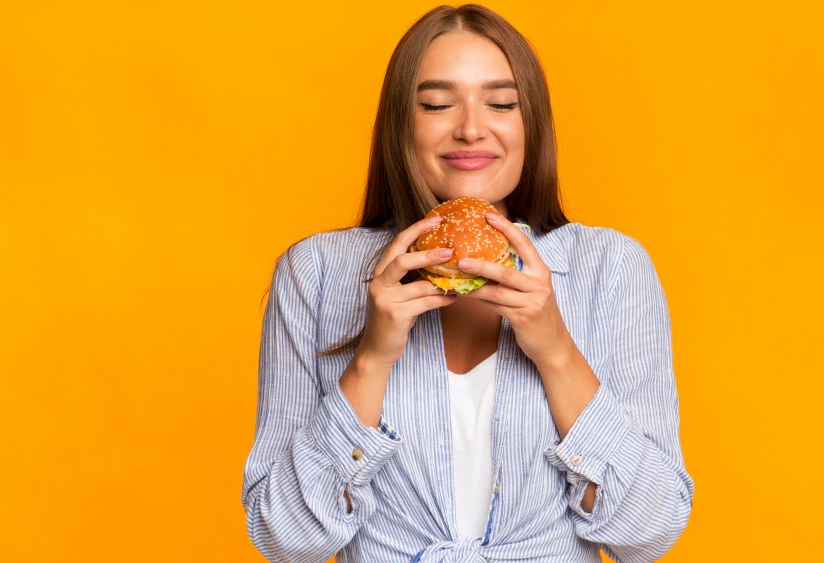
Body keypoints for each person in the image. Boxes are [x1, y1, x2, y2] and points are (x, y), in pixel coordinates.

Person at [241, 4, 694, 562]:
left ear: (532, 124)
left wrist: (556, 352)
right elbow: (286, 542)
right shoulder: (315, 274)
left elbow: (648, 533)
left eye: (502, 102)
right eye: (436, 103)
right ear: (400, 125)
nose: (472, 128)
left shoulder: (611, 270)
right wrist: (371, 359)